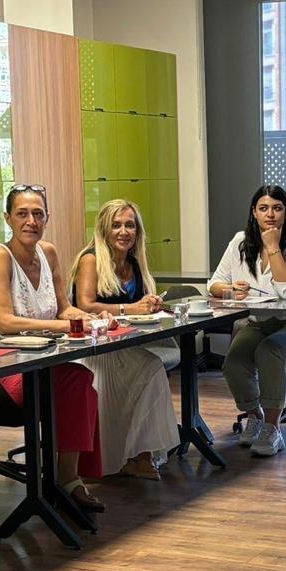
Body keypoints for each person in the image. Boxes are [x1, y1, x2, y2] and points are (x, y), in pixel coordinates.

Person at [0, 185, 104, 512]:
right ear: (7, 218)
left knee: (84, 383)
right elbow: (5, 322)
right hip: (0, 368)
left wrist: (90, 317)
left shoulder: (48, 253)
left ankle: (67, 477)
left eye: (38, 214)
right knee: (76, 382)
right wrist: (67, 327)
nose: (31, 221)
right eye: (22, 214)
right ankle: (66, 480)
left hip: (41, 361)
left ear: (47, 218)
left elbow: (64, 307)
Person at [71, 199, 180, 480]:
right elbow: (85, 305)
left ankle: (141, 454)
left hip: (125, 345)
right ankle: (130, 456)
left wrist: (150, 304)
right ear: (104, 230)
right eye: (116, 225)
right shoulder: (90, 259)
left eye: (130, 225)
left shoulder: (134, 262)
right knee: (149, 368)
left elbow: (138, 309)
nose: (124, 232)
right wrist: (130, 309)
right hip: (95, 349)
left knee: (151, 369)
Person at [207, 185, 286, 459]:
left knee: (270, 350)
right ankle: (254, 416)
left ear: (285, 213)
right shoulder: (240, 241)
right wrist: (231, 289)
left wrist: (272, 247)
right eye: (263, 208)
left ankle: (272, 427)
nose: (270, 214)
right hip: (257, 324)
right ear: (254, 213)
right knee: (233, 362)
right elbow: (214, 284)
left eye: (277, 208)